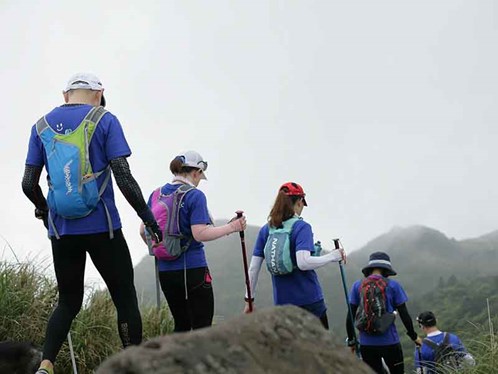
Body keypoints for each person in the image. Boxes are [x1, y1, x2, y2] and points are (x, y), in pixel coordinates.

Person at [22, 73, 162, 374]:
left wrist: (44, 211)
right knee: (124, 296)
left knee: (68, 301)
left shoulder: (40, 126)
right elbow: (123, 176)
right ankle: (133, 366)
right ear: (99, 93)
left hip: (62, 230)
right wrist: (147, 218)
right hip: (103, 227)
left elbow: (28, 183)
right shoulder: (105, 119)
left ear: (65, 95)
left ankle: (45, 366)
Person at [140, 151, 247, 332]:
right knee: (202, 328)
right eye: (200, 176)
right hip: (193, 269)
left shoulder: (156, 194)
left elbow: (143, 231)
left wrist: (163, 249)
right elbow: (200, 233)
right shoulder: (194, 195)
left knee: (181, 325)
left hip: (165, 271)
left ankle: (175, 360)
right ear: (195, 172)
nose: (199, 181)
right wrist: (233, 228)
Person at [243, 182, 345, 329]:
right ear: (299, 202)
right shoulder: (302, 227)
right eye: (303, 204)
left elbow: (253, 269)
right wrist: (333, 256)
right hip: (310, 302)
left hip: (282, 305)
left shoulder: (267, 230)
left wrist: (249, 301)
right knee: (320, 350)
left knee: (291, 350)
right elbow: (303, 262)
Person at [346, 251, 422, 374]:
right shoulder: (393, 286)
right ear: (386, 269)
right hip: (390, 342)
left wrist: (351, 341)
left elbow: (350, 315)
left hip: (366, 343)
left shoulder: (357, 285)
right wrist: (414, 336)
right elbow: (404, 315)